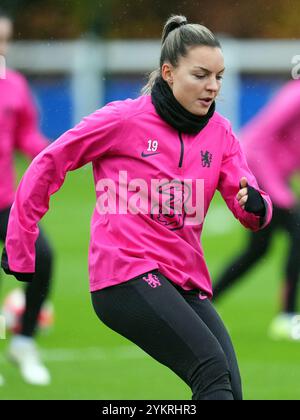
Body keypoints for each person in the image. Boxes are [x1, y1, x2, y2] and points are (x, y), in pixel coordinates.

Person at [1, 14, 273, 400]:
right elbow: (48, 162)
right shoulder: (122, 119)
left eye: (219, 77)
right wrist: (21, 243)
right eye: (200, 75)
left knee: (230, 385)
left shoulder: (221, 134)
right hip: (123, 274)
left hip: (183, 279)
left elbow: (249, 206)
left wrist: (257, 206)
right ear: (168, 73)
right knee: (211, 371)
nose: (212, 86)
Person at [213, 79, 300, 341]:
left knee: (257, 250)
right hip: (261, 175)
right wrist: (279, 194)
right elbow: (257, 141)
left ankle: (204, 305)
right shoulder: (295, 96)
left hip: (273, 177)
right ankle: (286, 317)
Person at [0, 8, 53, 385]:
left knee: (43, 258)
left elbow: (26, 137)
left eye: (4, 39)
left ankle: (24, 341)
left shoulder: (14, 85)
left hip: (6, 201)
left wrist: (58, 152)